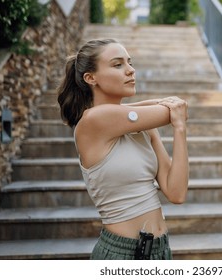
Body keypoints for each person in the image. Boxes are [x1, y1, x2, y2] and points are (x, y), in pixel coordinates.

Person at [57, 38, 189, 260]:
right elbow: (170, 110)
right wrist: (171, 111)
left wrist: (180, 129)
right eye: (118, 64)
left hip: (160, 251)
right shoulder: (93, 120)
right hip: (122, 254)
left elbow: (176, 193)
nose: (130, 70)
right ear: (90, 78)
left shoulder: (143, 127)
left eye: (130, 63)